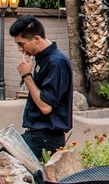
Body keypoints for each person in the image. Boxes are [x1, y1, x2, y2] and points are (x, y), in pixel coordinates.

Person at [12, 15, 74, 160]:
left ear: (37, 39)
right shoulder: (43, 59)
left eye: (22, 44)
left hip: (46, 138)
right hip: (35, 135)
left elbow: (46, 106)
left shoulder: (56, 62)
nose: (20, 49)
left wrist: (26, 76)